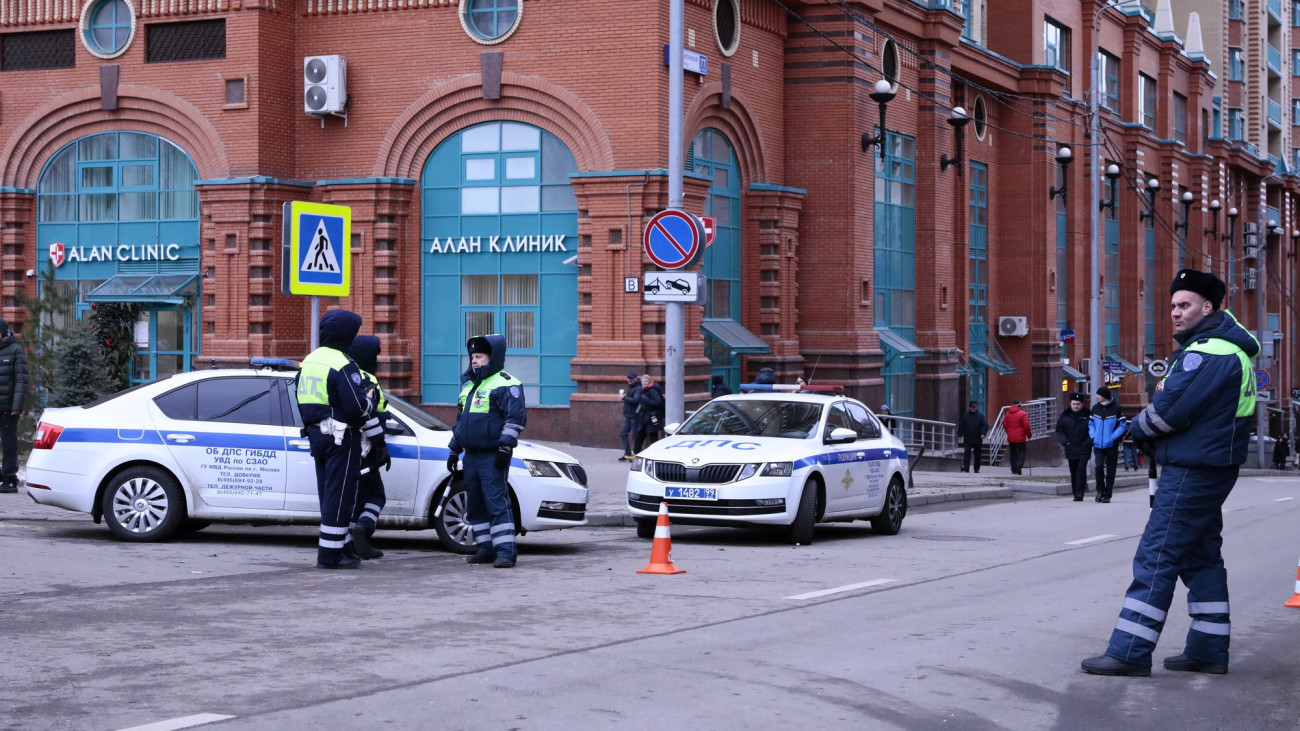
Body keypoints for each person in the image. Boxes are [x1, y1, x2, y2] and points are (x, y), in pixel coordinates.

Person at [1082, 269, 1259, 677]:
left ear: (1209, 307)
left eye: (1185, 305)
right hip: (1209, 466)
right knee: (1201, 557)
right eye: (1174, 306)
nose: (1176, 314)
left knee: (1156, 555)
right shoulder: (1226, 350)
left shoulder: (1208, 352)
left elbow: (1171, 410)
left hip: (1192, 469)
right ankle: (1209, 648)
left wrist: (1136, 429)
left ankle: (1129, 651)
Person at [296, 310, 376, 569]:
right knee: (340, 496)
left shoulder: (310, 359)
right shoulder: (342, 363)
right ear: (346, 335)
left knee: (328, 494)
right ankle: (331, 555)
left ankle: (342, 547)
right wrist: (370, 400)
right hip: (341, 436)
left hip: (317, 434)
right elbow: (356, 407)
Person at [446, 333, 526, 569]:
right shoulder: (468, 385)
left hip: (493, 454)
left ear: (493, 357)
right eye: (472, 356)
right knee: (475, 504)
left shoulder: (507, 384)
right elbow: (461, 422)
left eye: (479, 356)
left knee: (496, 502)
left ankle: (505, 552)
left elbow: (515, 419)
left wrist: (504, 447)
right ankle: (485, 548)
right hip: (471, 455)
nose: (474, 360)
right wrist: (454, 450)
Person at [346, 335, 392, 560]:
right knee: (369, 496)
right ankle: (360, 533)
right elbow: (370, 415)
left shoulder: (352, 375)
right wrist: (381, 446)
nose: (377, 360)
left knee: (366, 496)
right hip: (363, 448)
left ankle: (357, 537)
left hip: (355, 447)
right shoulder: (367, 381)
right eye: (375, 355)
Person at [0, 318, 28, 494]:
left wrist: (16, 406)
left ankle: (10, 479)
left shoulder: (15, 351)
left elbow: (21, 381)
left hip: (8, 408)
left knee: (9, 444)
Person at [1088, 386, 1126, 503]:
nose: (1096, 396)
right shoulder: (1095, 408)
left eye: (1098, 395)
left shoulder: (1117, 409)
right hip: (1098, 444)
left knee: (1111, 470)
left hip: (1112, 445)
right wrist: (1093, 436)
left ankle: (1107, 495)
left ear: (1104, 396)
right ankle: (1100, 491)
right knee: (1098, 467)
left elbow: (1122, 425)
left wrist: (1113, 437)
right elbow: (1091, 424)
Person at [1055, 393, 1092, 500]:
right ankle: (1075, 492)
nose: (1075, 406)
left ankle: (1080, 493)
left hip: (1084, 447)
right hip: (1070, 447)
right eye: (1073, 404)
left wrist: (1088, 442)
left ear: (1082, 404)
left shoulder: (1088, 414)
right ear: (1070, 403)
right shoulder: (1065, 415)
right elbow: (1059, 430)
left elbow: (1093, 430)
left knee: (1081, 469)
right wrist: (1065, 442)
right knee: (1073, 470)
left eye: (1078, 404)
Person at [633, 374, 665, 452]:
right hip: (644, 418)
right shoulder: (644, 390)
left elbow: (657, 402)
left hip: (651, 418)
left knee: (653, 437)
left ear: (649, 382)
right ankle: (636, 454)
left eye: (645, 381)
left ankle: (657, 454)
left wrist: (646, 399)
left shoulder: (653, 390)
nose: (644, 383)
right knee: (640, 436)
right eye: (642, 381)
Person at [957, 401, 988, 473]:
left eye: (973, 407)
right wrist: (960, 435)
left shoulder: (981, 416)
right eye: (970, 406)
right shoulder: (965, 415)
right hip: (967, 438)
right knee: (967, 453)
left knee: (977, 455)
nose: (972, 408)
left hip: (977, 438)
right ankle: (966, 467)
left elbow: (985, 425)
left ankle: (976, 468)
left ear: (976, 407)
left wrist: (983, 433)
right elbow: (961, 425)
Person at [1003, 399, 1031, 475]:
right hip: (1021, 438)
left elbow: (1004, 425)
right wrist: (1029, 435)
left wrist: (1009, 433)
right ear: (1020, 406)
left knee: (1012, 453)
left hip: (1011, 437)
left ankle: (1014, 469)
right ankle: (1019, 465)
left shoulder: (1007, 414)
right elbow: (1026, 426)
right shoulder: (1022, 414)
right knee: (1022, 452)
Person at [618, 372, 642, 462]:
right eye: (628, 378)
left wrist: (624, 398)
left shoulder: (638, 388)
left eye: (631, 378)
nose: (630, 380)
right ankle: (627, 453)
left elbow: (636, 400)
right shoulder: (631, 387)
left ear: (636, 378)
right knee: (623, 433)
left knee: (635, 436)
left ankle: (637, 454)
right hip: (629, 415)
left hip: (634, 416)